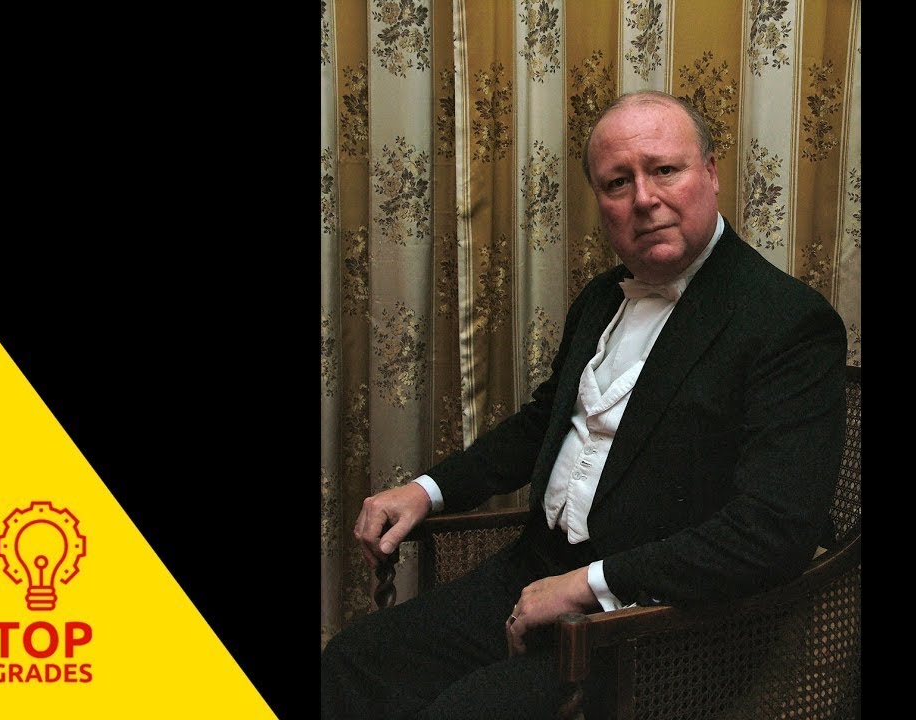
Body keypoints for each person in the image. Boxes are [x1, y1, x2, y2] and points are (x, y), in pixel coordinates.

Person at [321, 90, 847, 719]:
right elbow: (543, 423)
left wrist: (589, 586)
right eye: (617, 182)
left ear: (711, 172)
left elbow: (774, 531)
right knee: (354, 660)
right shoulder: (602, 297)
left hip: (659, 623)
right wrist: (427, 490)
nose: (644, 199)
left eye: (665, 170)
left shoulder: (788, 322)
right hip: (536, 570)